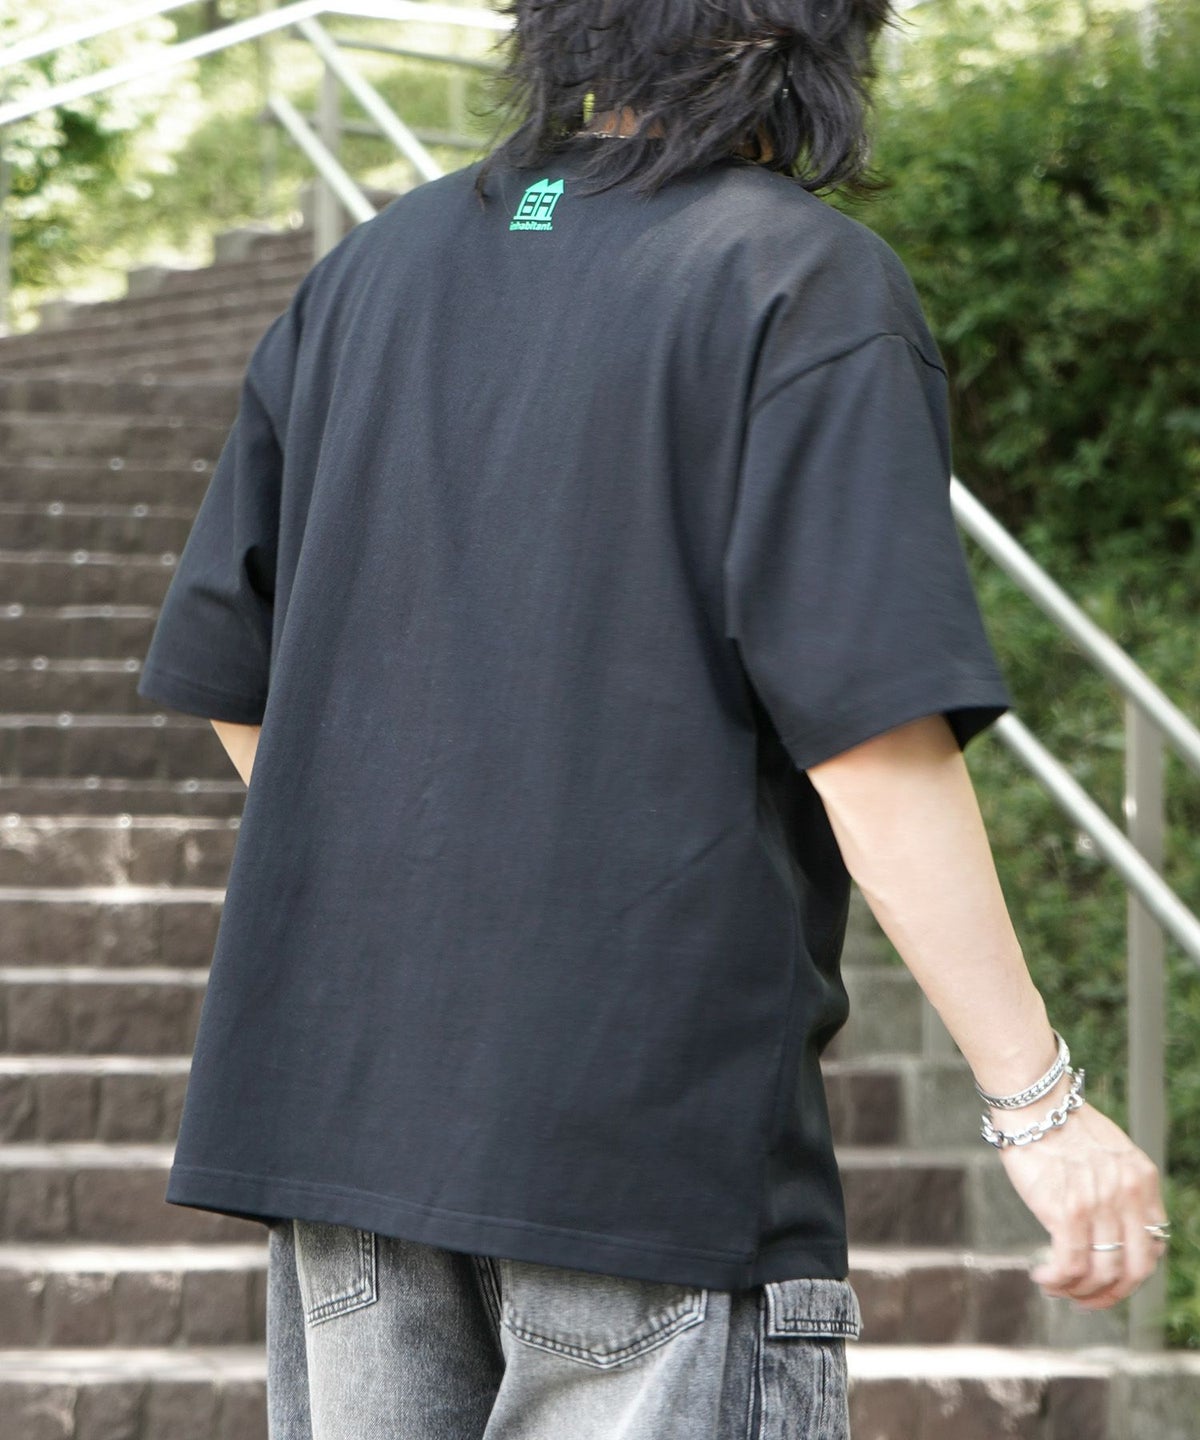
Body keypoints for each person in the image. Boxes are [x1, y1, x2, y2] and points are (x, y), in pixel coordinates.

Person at [135, 1, 1169, 1436]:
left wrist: (426, 890)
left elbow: (235, 679)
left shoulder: (370, 269)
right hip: (646, 1133)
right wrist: (1039, 1106)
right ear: (796, 41)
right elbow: (873, 744)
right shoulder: (800, 280)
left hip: (347, 1115)